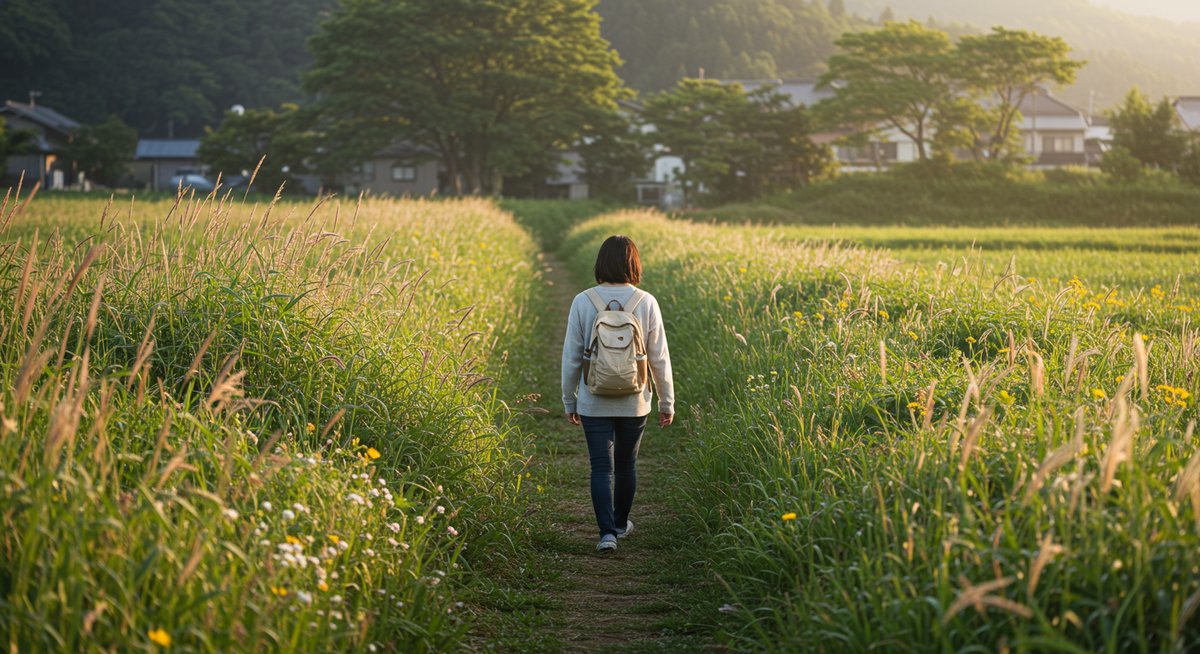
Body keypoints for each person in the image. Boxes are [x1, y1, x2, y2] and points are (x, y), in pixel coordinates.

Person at [561, 235, 675, 552]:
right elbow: (659, 357)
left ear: (600, 262)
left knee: (601, 468)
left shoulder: (583, 301)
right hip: (635, 400)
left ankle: (607, 534)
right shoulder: (646, 302)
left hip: (593, 399)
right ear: (634, 264)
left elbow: (571, 357)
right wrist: (667, 401)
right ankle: (621, 524)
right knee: (626, 466)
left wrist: (570, 399)